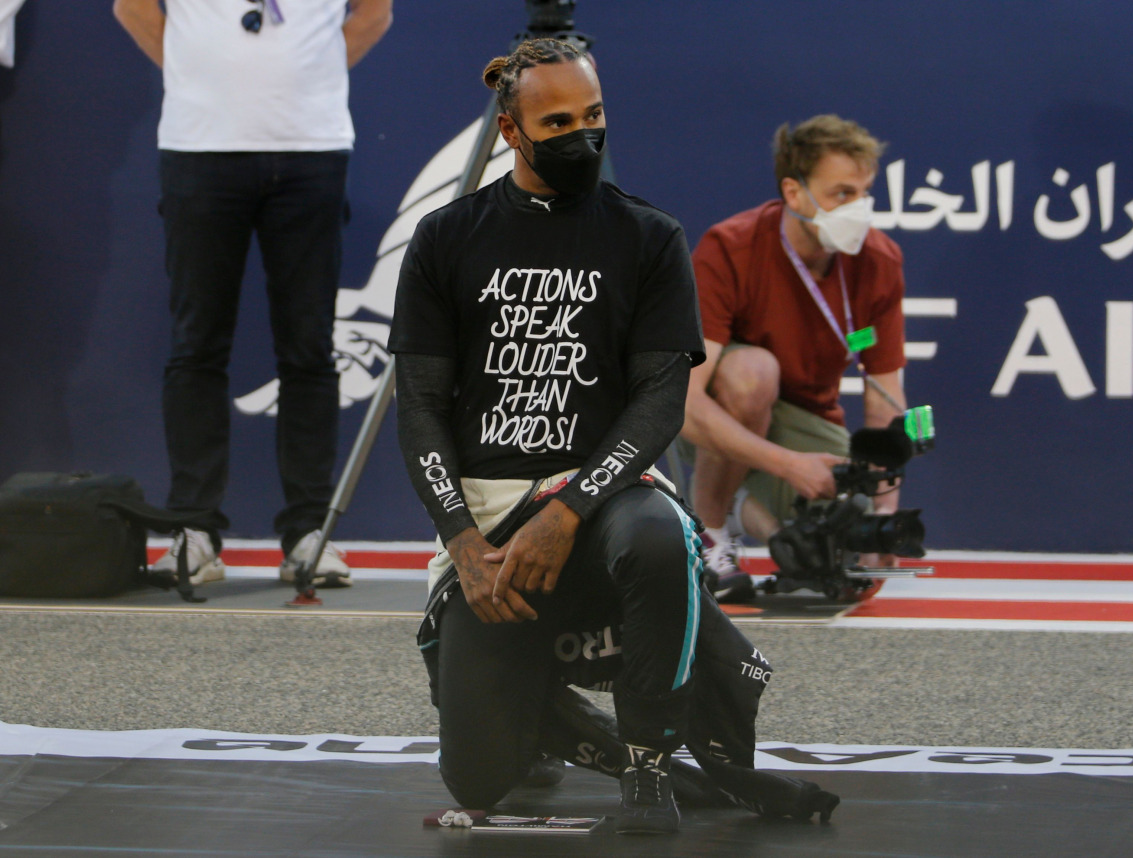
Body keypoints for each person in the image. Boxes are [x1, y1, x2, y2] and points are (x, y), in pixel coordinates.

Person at [390, 39, 838, 834]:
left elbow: (663, 399)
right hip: (488, 523)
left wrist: (569, 511)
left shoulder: (647, 236)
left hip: (605, 498)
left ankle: (649, 765)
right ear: (510, 132)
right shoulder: (444, 239)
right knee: (481, 777)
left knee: (662, 536)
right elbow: (420, 407)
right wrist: (462, 542)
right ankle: (539, 706)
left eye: (593, 115)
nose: (582, 135)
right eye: (557, 120)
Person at [113, 0, 392, 587]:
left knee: (309, 347)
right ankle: (194, 530)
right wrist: (193, 77)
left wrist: (313, 78)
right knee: (196, 344)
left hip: (311, 148)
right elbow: (131, 6)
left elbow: (374, 13)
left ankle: (309, 534)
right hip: (198, 147)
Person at [681, 115, 908, 602]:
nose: (859, 210)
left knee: (850, 559)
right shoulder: (731, 248)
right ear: (794, 191)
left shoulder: (878, 260)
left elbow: (885, 396)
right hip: (720, 419)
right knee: (752, 373)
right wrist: (788, 465)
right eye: (841, 194)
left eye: (865, 194)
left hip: (804, 420)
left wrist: (885, 511)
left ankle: (744, 508)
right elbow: (681, 402)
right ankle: (712, 535)